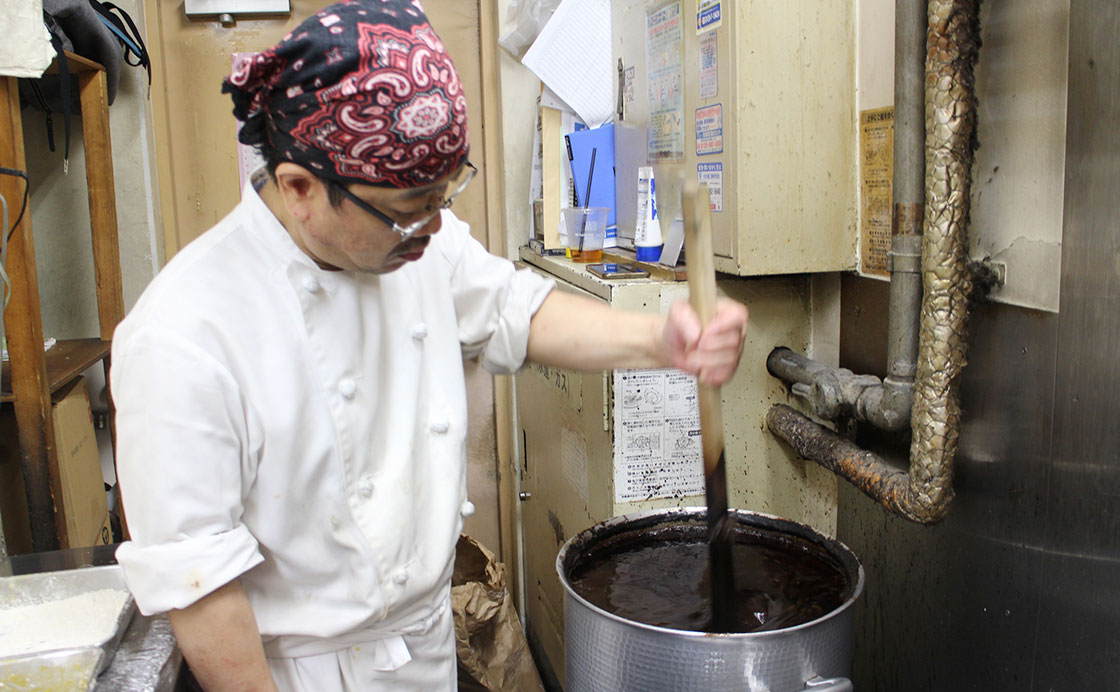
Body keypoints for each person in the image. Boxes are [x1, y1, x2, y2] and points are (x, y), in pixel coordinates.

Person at [110, 1, 749, 690]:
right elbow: (200, 586)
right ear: (299, 188)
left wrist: (662, 337)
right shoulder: (181, 334)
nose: (431, 230)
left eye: (443, 199)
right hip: (297, 673)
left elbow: (515, 310)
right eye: (409, 211)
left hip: (426, 650)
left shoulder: (413, 243)